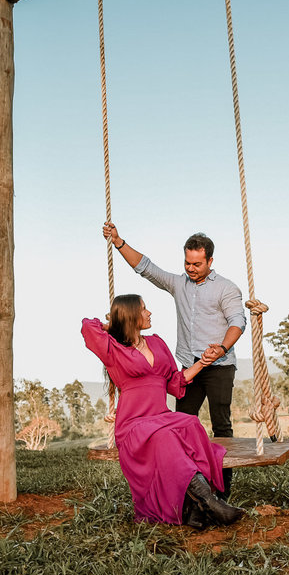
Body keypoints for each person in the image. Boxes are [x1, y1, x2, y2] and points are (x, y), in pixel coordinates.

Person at [102, 222, 246, 497]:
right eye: (187, 263)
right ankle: (190, 485)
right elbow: (146, 268)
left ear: (210, 261)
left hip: (219, 367)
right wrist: (119, 242)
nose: (191, 268)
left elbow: (238, 321)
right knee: (181, 422)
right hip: (187, 368)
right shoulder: (179, 283)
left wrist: (223, 347)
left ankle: (223, 489)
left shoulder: (226, 289)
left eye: (197, 264)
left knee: (221, 425)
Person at [81, 294, 246, 528]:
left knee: (190, 423)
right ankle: (209, 502)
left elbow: (174, 381)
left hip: (160, 416)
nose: (149, 313)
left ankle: (195, 510)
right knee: (164, 437)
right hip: (134, 423)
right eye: (144, 309)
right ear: (130, 315)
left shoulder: (157, 342)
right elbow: (88, 326)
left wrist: (203, 362)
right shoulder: (112, 348)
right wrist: (114, 325)